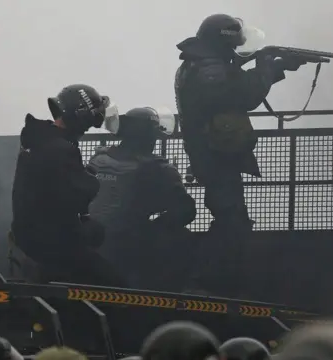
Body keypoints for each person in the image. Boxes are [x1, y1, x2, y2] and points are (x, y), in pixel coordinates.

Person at [174, 14, 306, 296]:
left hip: (213, 152)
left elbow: (235, 83)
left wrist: (277, 67)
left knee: (231, 218)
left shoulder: (204, 63)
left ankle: (215, 280)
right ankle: (201, 281)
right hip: (214, 154)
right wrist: (266, 68)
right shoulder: (209, 68)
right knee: (230, 219)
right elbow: (242, 94)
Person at [10, 84, 128, 287]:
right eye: (89, 123)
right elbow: (75, 194)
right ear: (81, 118)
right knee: (116, 287)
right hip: (52, 244)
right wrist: (90, 177)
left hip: (31, 238)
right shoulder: (60, 149)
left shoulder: (38, 141)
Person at [88, 106, 196, 291]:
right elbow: (186, 211)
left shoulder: (99, 158)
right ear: (150, 136)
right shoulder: (157, 168)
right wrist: (154, 225)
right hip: (128, 246)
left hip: (89, 239)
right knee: (182, 239)